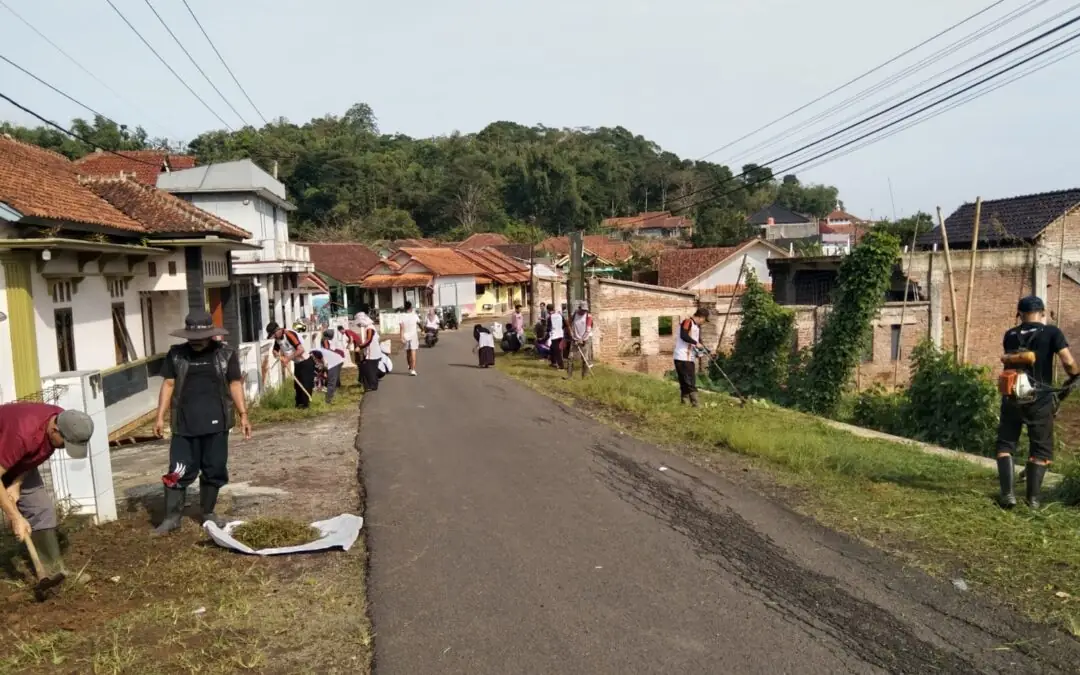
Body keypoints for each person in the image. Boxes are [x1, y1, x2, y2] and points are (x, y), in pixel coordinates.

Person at [153, 311, 251, 534]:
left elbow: (235, 384)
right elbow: (168, 384)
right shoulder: (177, 355)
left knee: (214, 468)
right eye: (192, 339)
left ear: (211, 335)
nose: (196, 343)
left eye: (200, 338)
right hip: (184, 425)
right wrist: (159, 417)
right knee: (177, 471)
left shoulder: (225, 354)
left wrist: (243, 414)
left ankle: (208, 512)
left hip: (217, 425)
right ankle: (171, 517)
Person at [995, 296, 1080, 509]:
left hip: (1012, 395)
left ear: (1019, 314)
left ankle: (1008, 496)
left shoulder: (1010, 335)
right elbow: (1068, 362)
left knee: (1006, 445)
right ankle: (1032, 500)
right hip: (1039, 399)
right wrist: (1075, 375)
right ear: (1042, 312)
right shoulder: (1052, 332)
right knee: (1040, 449)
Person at [0, 402, 94, 581]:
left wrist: (17, 483)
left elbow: (34, 456)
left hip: (12, 458)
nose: (66, 448)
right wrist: (15, 517)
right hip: (6, 450)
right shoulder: (23, 434)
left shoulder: (64, 420)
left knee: (41, 509)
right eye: (65, 443)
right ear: (54, 430)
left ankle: (52, 572)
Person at [267, 320, 316, 409]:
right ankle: (298, 405)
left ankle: (306, 406)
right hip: (297, 363)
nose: (274, 337)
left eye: (274, 335)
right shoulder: (277, 339)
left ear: (278, 330)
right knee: (297, 386)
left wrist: (287, 359)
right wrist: (277, 355)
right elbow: (275, 350)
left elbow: (300, 350)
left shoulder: (289, 334)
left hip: (306, 362)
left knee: (305, 384)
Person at [674, 308, 712, 407]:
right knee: (689, 381)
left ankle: (685, 403)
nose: (704, 322)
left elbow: (698, 343)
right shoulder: (687, 322)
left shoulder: (696, 327)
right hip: (682, 357)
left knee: (687, 381)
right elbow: (683, 335)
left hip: (689, 357)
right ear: (701, 317)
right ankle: (696, 404)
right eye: (704, 320)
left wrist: (707, 351)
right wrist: (696, 343)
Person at [355, 313, 384, 392]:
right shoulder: (369, 327)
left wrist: (360, 347)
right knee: (371, 370)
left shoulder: (369, 328)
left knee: (370, 370)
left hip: (372, 353)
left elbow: (369, 340)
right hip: (373, 352)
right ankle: (372, 385)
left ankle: (372, 386)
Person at [567, 301, 594, 379]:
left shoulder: (588, 316)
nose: (584, 311)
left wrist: (582, 339)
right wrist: (571, 333)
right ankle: (569, 376)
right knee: (570, 357)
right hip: (574, 339)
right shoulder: (574, 314)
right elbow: (568, 323)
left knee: (585, 359)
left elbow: (588, 330)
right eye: (583, 310)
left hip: (584, 339)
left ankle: (584, 377)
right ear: (579, 308)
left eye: (585, 310)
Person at [399, 301, 421, 376]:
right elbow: (419, 323)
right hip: (413, 336)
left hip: (406, 336)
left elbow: (401, 328)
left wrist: (401, 337)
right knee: (413, 352)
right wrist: (423, 330)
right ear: (411, 307)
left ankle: (409, 366)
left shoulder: (402, 316)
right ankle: (413, 369)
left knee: (408, 353)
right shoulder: (414, 315)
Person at [546, 303, 566, 370]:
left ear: (548, 310)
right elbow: (564, 324)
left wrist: (546, 336)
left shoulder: (550, 317)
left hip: (554, 335)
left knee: (557, 351)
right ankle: (553, 362)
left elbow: (548, 328)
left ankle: (561, 366)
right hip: (560, 334)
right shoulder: (560, 315)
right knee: (552, 348)